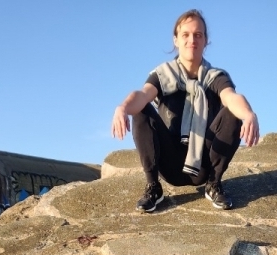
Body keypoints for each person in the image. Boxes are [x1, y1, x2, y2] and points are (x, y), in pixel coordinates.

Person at [111, 9, 259, 213]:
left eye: (198, 35)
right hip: (170, 162)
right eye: (186, 34)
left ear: (205, 40)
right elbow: (143, 95)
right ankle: (153, 187)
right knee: (140, 110)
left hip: (205, 163)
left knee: (233, 113)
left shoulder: (215, 76)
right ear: (176, 40)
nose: (192, 40)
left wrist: (249, 114)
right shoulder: (163, 75)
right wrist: (122, 108)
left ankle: (214, 183)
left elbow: (231, 97)